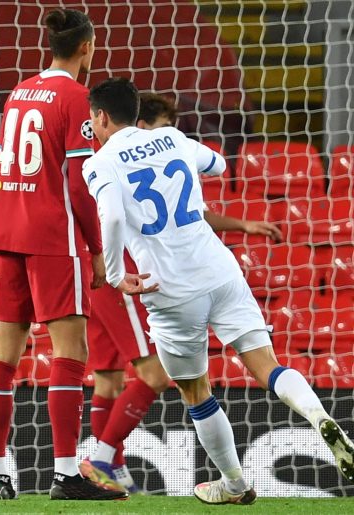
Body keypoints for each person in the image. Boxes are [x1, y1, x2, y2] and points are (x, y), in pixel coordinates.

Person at [82, 77, 354, 505]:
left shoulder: (100, 162)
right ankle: (317, 413)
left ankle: (234, 483)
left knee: (195, 392)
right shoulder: (173, 138)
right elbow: (219, 167)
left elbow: (112, 217)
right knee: (267, 365)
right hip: (221, 271)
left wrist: (116, 274)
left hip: (171, 290)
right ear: (136, 112)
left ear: (99, 117)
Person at [80, 92, 283, 494]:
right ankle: (102, 457)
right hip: (128, 276)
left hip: (98, 271)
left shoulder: (104, 161)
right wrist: (116, 270)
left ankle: (112, 469)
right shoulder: (126, 158)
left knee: (107, 377)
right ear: (141, 125)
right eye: (162, 125)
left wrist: (242, 225)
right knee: (155, 373)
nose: (167, 133)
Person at [0, 8, 127, 502]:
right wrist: (97, 248)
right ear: (87, 47)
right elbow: (79, 183)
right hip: (51, 235)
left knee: (4, 354)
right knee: (70, 352)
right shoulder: (76, 98)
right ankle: (66, 474)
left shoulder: (20, 91)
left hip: (6, 229)